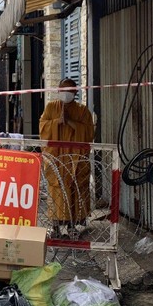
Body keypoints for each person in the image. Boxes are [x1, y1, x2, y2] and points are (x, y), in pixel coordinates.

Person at [38, 78, 95, 237]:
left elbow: (89, 133)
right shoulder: (51, 108)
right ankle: (55, 226)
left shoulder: (83, 111)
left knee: (75, 188)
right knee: (56, 189)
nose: (66, 94)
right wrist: (57, 122)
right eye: (63, 91)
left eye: (70, 91)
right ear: (58, 91)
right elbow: (42, 128)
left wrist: (70, 123)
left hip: (75, 160)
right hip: (57, 158)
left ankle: (73, 225)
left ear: (76, 92)